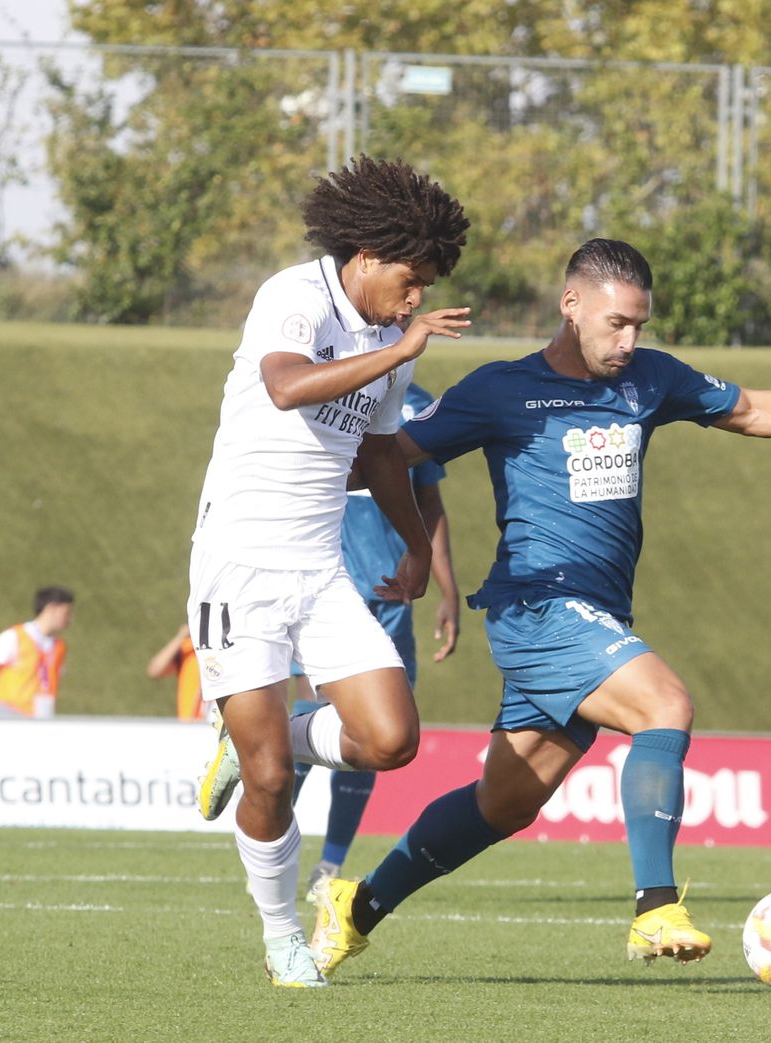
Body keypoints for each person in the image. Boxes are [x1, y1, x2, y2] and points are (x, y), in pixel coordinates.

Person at [308, 238, 771, 978]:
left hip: (596, 614)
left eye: (639, 324)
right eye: (616, 323)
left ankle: (355, 907)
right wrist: (363, 524)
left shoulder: (649, 380)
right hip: (535, 605)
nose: (629, 340)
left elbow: (753, 409)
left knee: (502, 803)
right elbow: (383, 454)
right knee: (664, 703)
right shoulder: (500, 390)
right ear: (571, 305)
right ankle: (654, 906)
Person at [186, 154, 470, 988]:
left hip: (319, 566)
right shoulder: (295, 295)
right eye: (409, 280)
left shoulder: (393, 337)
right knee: (270, 778)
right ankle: (282, 938)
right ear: (367, 257)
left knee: (393, 739)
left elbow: (381, 455)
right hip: (238, 564)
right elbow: (287, 388)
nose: (414, 299)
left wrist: (416, 546)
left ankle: (259, 732)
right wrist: (402, 349)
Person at [291, 382, 462, 900]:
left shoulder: (416, 407)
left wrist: (447, 588)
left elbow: (429, 503)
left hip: (392, 595)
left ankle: (330, 864)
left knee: (377, 738)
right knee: (313, 717)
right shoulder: (323, 391)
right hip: (326, 591)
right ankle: (276, 845)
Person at [0, 586, 74, 718]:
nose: (69, 619)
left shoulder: (59, 646)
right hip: (9, 712)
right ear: (51, 608)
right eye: (66, 613)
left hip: (41, 713)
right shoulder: (13, 636)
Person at [147, 623, 203, 721]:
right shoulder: (188, 646)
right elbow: (155, 670)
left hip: (221, 726)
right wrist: (182, 635)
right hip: (190, 725)